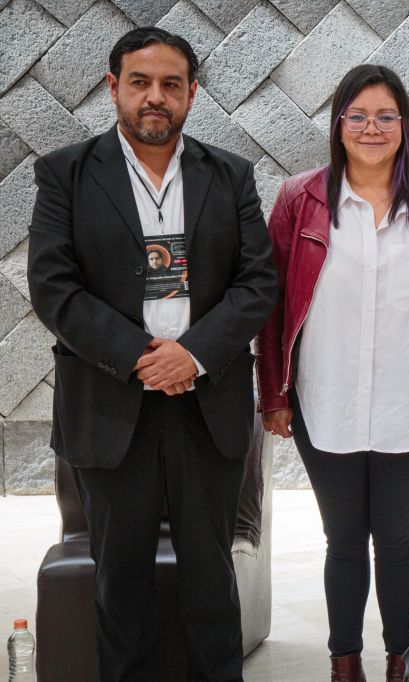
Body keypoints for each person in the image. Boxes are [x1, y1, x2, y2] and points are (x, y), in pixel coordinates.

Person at [27, 27, 277, 681]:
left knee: (210, 580)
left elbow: (258, 285)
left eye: (171, 84)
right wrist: (143, 356)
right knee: (121, 582)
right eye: (140, 82)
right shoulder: (65, 174)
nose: (155, 98)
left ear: (192, 93)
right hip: (111, 406)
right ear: (114, 88)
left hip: (206, 402)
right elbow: (55, 289)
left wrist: (190, 355)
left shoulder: (231, 175)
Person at [254, 64, 409, 682]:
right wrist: (275, 394)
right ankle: (345, 662)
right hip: (325, 399)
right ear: (338, 124)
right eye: (358, 116)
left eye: (386, 116)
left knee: (398, 542)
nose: (372, 128)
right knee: (343, 543)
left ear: (406, 126)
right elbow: (272, 306)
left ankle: (403, 659)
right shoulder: (301, 199)